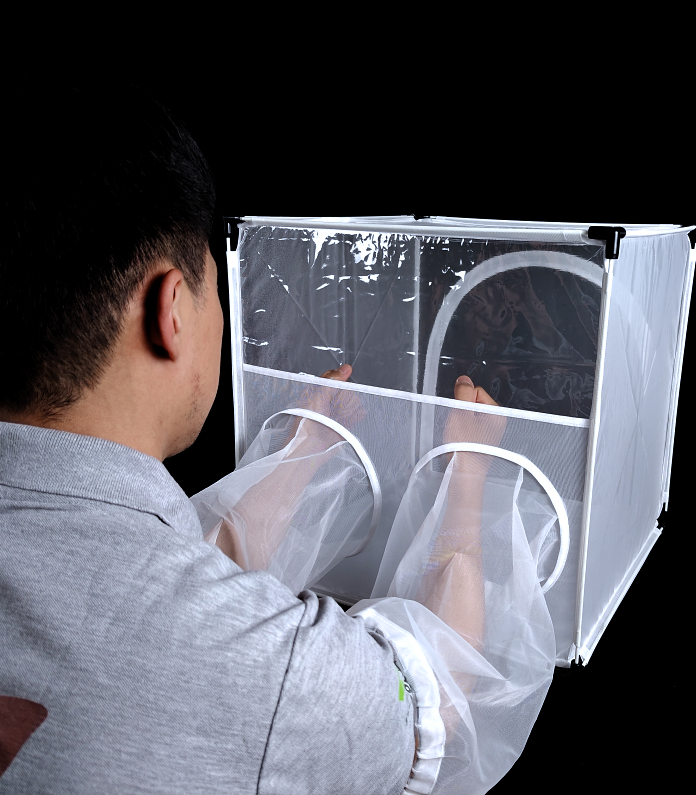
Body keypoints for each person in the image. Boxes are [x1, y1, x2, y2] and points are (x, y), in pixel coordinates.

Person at [0, 86, 556, 795]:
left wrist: (303, 455)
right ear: (172, 310)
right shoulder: (285, 683)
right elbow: (441, 694)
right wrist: (470, 475)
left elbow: (171, 573)